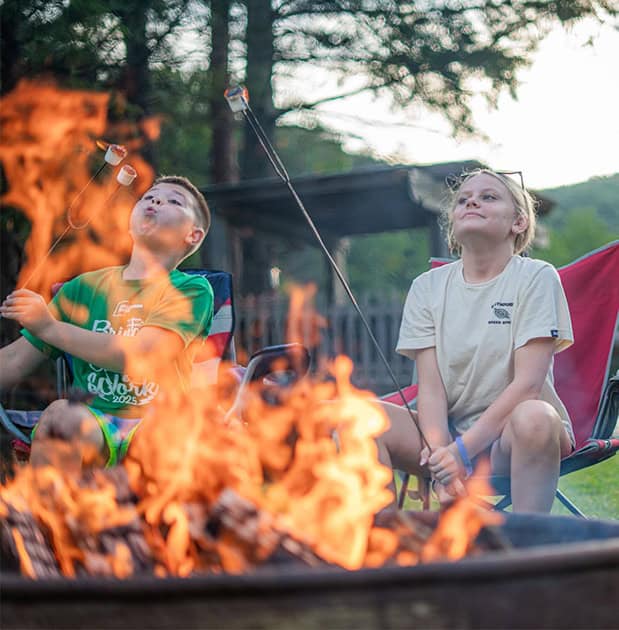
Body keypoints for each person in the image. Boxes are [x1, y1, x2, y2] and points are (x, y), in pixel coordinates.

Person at [377, 169, 574, 513]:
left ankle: (525, 550)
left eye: (488, 197)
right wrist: (441, 456)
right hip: (447, 436)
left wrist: (461, 453)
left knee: (536, 417)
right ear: (452, 222)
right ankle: (385, 547)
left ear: (519, 223)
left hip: (514, 438)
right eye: (464, 199)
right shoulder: (427, 287)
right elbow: (432, 388)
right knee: (358, 416)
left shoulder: (536, 277)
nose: (471, 201)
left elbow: (527, 385)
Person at [0, 175, 214, 469]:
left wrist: (50, 327)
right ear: (130, 222)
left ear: (193, 235)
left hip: (159, 423)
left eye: (174, 201)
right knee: (62, 415)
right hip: (93, 422)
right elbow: (13, 360)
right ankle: (44, 514)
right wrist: (46, 327)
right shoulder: (85, 287)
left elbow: (142, 354)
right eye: (148, 197)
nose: (156, 200)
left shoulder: (192, 290)